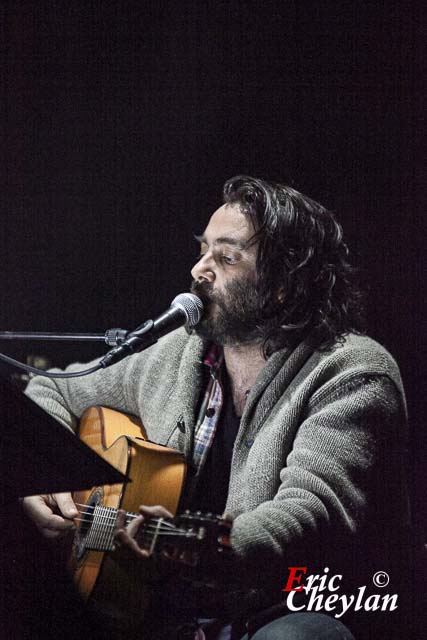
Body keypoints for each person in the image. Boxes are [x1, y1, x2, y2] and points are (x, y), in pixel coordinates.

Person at [22, 176, 410, 639]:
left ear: (283, 283)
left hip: (294, 605)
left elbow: (307, 514)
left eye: (225, 257)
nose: (199, 269)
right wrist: (43, 481)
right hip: (162, 611)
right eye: (203, 250)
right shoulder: (179, 352)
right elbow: (54, 388)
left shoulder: (352, 372)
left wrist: (202, 544)